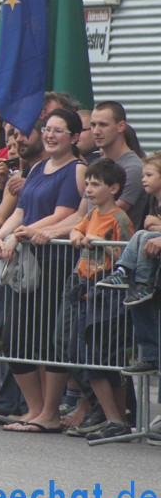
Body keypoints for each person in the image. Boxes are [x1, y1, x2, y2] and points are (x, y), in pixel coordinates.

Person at [0, 109, 86, 434]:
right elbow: (19, 212)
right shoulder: (35, 169)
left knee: (47, 339)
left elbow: (65, 214)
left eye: (59, 131)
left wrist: (21, 233)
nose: (50, 135)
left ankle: (49, 412)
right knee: (13, 335)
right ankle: (34, 409)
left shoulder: (77, 170)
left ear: (74, 137)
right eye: (47, 129)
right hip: (27, 262)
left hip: (54, 263)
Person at [66, 158, 134, 441]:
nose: (89, 189)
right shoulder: (92, 214)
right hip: (86, 289)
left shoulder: (119, 218)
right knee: (85, 356)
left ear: (114, 188)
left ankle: (116, 417)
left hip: (108, 293)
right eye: (88, 183)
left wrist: (101, 244)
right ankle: (113, 417)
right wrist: (76, 235)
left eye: (96, 184)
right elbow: (77, 229)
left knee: (102, 359)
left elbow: (128, 257)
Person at [96, 151, 161, 371]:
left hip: (154, 273)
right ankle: (151, 357)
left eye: (149, 174)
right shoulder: (153, 201)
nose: (143, 179)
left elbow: (149, 229)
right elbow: (147, 225)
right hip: (154, 270)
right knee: (137, 304)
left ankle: (130, 276)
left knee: (141, 235)